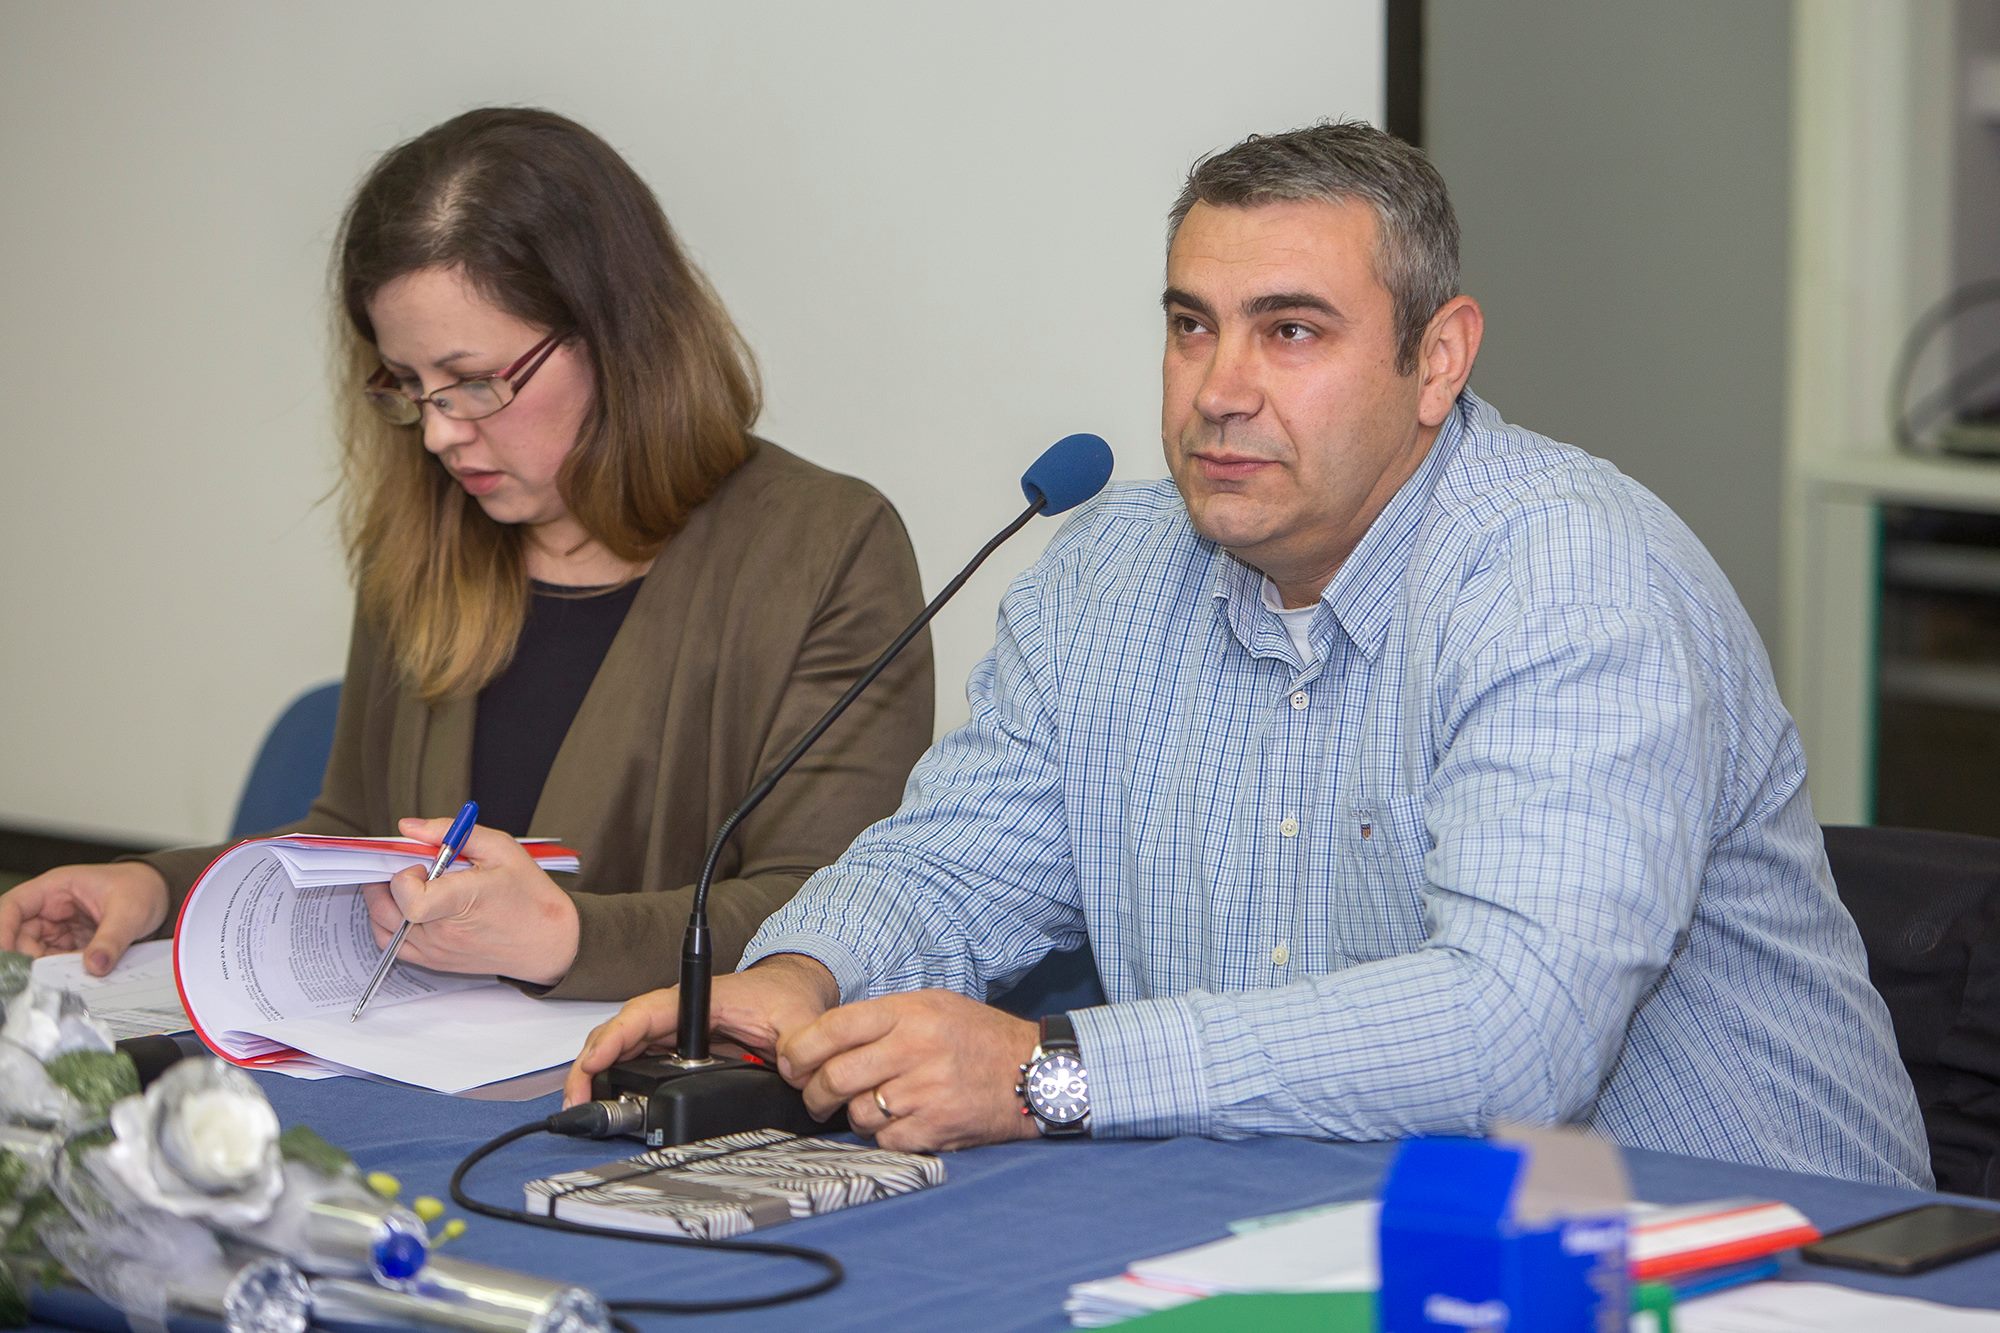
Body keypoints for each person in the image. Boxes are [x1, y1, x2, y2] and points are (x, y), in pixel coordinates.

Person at [567, 120, 1933, 1189]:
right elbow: (953, 866)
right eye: (1190, 326)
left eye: (1290, 331)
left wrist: (1052, 1072)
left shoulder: (1570, 575)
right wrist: (795, 981)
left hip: (1751, 1258)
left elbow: (1512, 1036)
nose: (1219, 390)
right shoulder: (1105, 571)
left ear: (1438, 359)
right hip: (1311, 1232)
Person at [0, 108, 932, 1000]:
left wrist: (568, 937)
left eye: (474, 381)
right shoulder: (429, 534)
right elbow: (356, 833)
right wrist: (158, 888)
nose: (440, 433)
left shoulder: (826, 547)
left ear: (619, 337)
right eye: (409, 386)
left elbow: (838, 907)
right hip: (409, 1063)